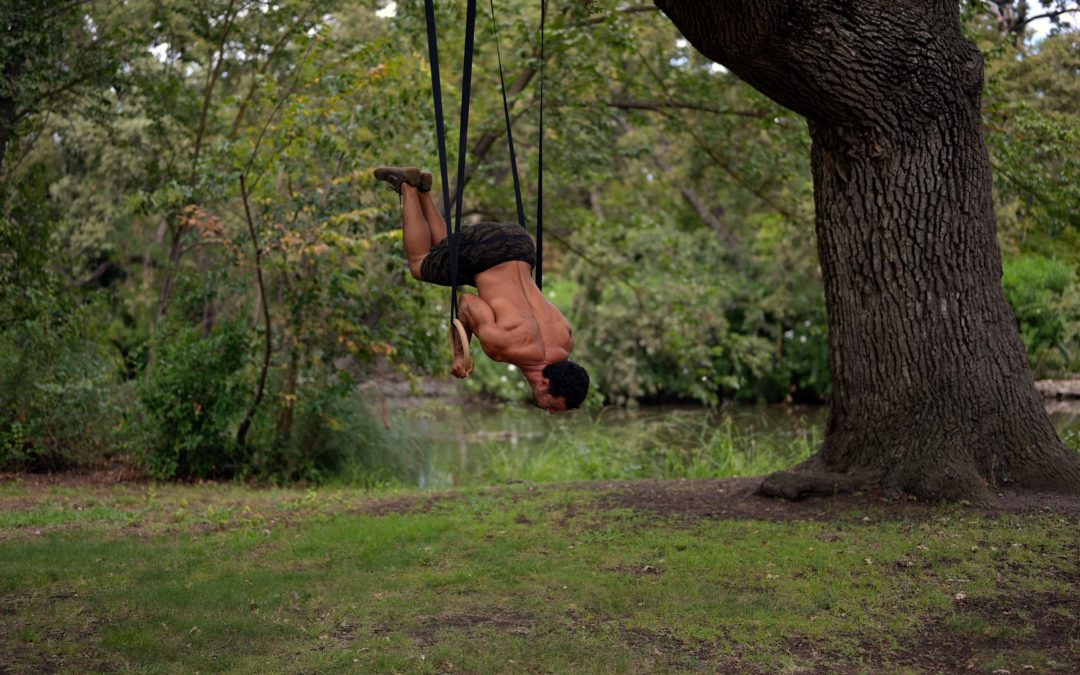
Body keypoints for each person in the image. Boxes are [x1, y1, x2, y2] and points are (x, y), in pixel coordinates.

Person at [374, 166, 589, 413]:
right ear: (545, 382)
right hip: (484, 253)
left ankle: (422, 188)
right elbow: (466, 302)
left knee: (448, 254)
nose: (550, 412)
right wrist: (458, 354)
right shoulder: (505, 347)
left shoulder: (565, 338)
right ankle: (407, 187)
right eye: (553, 406)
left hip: (520, 245)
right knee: (419, 264)